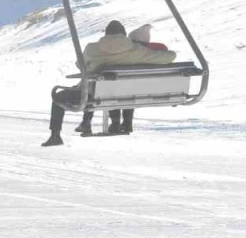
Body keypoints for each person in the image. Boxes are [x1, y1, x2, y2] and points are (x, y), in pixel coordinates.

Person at [44, 21, 176, 147]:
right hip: (127, 94)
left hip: (92, 95)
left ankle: (55, 135)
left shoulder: (91, 48)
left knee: (58, 97)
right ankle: (118, 122)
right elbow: (170, 56)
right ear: (124, 35)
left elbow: (80, 65)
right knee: (118, 89)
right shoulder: (136, 49)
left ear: (106, 34)